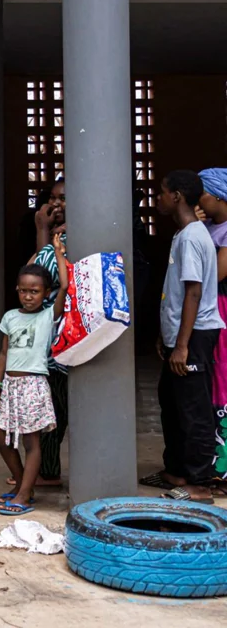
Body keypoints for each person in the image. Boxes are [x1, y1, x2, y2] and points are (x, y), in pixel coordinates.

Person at [148, 170, 223, 503]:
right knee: (172, 402)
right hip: (179, 336)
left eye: (161, 193)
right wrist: (167, 337)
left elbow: (193, 291)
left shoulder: (193, 236)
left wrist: (181, 345)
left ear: (177, 196)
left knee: (194, 409)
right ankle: (176, 469)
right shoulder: (186, 233)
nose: (158, 199)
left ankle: (200, 482)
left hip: (194, 337)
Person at [0, 238, 68, 518]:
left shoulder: (48, 316)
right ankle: (24, 484)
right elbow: (3, 353)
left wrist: (58, 253)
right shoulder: (10, 316)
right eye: (23, 291)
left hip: (34, 385)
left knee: (31, 443)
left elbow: (66, 286)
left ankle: (24, 494)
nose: (28, 296)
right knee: (0, 438)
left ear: (46, 292)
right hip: (9, 385)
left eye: (34, 291)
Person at [28, 179, 68, 488]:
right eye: (52, 198)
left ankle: (47, 471)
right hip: (65, 338)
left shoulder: (62, 241)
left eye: (63, 199)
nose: (56, 205)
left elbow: (32, 275)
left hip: (60, 340)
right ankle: (47, 469)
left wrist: (41, 229)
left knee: (53, 408)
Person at [197, 168, 227, 484]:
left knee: (224, 381)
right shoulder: (208, 227)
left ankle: (223, 468)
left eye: (202, 193)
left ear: (218, 196)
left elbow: (215, 275)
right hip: (212, 313)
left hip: (222, 312)